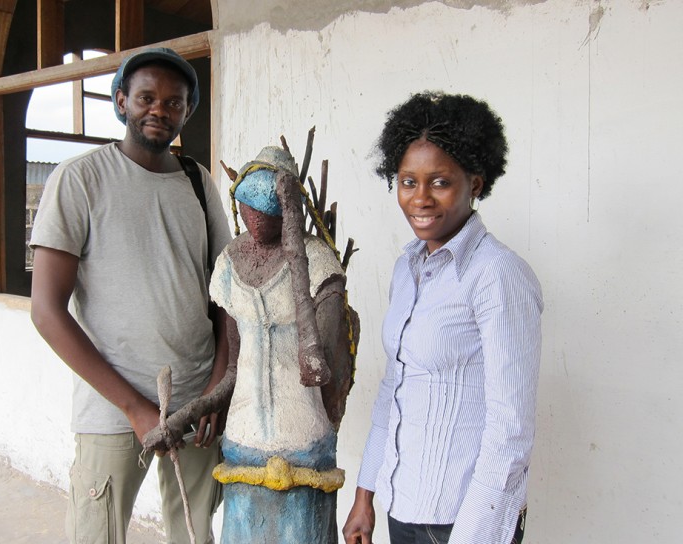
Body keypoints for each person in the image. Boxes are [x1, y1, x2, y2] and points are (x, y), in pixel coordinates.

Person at [29, 47, 232, 544]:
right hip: (111, 406)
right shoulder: (79, 180)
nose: (159, 109)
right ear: (121, 101)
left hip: (196, 404)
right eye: (146, 97)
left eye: (174, 102)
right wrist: (135, 409)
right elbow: (46, 311)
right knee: (98, 533)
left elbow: (229, 297)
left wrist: (218, 388)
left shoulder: (197, 183)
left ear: (187, 112)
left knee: (194, 531)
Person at [342, 91, 543, 544]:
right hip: (405, 501)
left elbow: (511, 426)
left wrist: (473, 534)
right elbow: (394, 386)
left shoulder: (497, 275)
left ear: (475, 182)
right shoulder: (407, 268)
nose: (420, 198)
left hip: (463, 517)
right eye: (408, 181)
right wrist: (365, 492)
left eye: (440, 182)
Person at [144, 146, 357, 543]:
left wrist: (296, 250)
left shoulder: (319, 264)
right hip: (243, 442)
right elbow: (232, 372)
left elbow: (318, 371)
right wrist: (182, 417)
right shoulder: (228, 264)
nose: (256, 220)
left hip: (303, 444)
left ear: (292, 207)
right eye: (248, 208)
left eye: (272, 210)